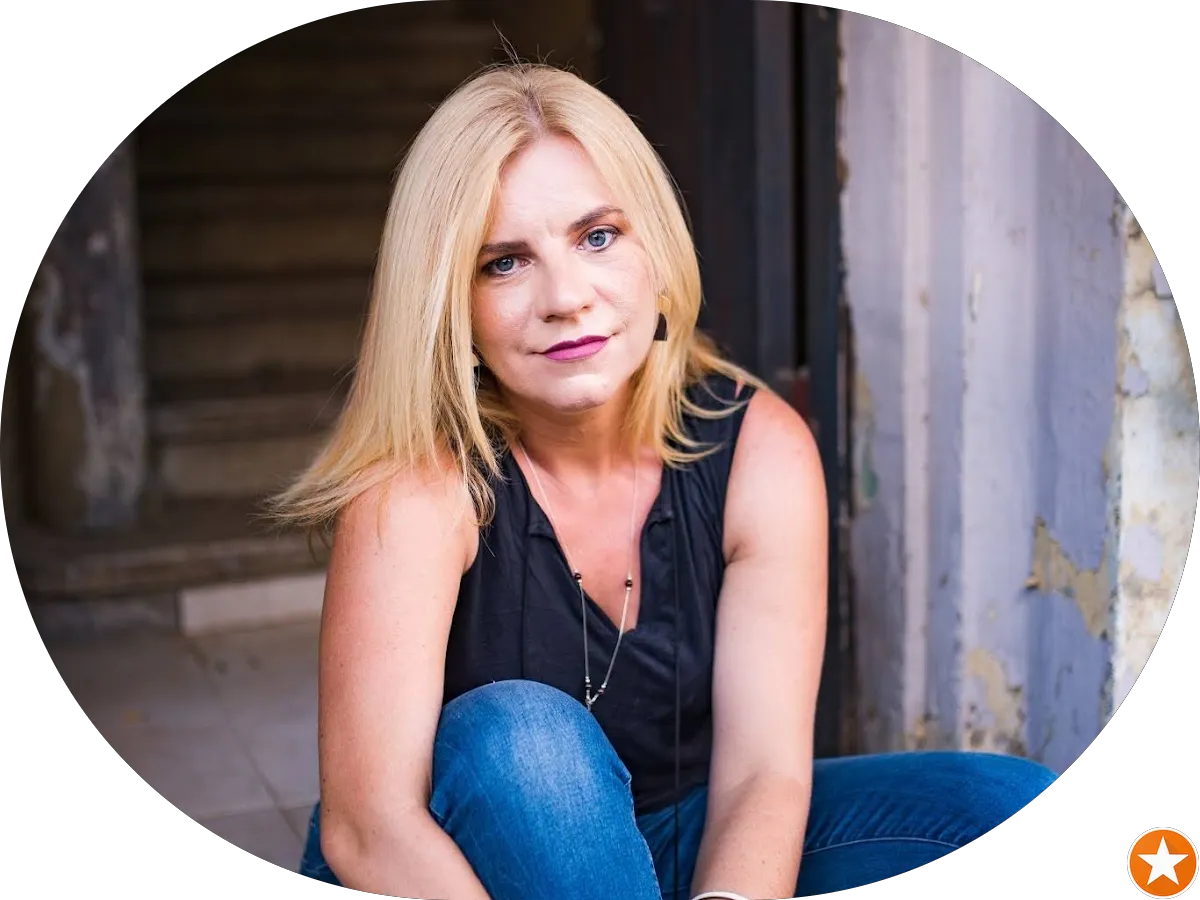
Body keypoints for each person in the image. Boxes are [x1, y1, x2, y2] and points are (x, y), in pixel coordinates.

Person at [265, 61, 1057, 900]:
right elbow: (370, 830)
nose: (567, 297)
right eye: (504, 263)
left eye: (597, 237)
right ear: (449, 307)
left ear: (657, 250)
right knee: (524, 739)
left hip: (682, 834)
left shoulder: (757, 450)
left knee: (1002, 803)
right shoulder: (417, 491)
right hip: (453, 866)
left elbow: (761, 775)